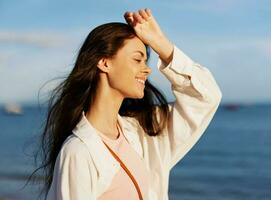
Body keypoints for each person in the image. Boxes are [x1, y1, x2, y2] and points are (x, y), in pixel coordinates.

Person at [30, 8, 222, 200]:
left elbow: (206, 97)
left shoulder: (143, 132)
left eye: (146, 61)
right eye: (137, 59)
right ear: (104, 62)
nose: (147, 70)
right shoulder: (78, 152)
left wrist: (161, 43)